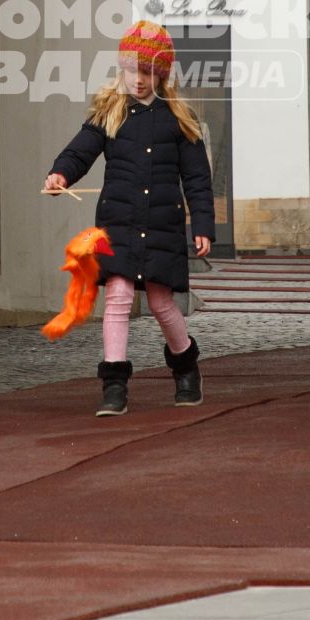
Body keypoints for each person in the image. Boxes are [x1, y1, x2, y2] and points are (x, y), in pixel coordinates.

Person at [44, 21, 214, 416]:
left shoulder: (179, 118)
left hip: (162, 224)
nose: (139, 80)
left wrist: (202, 224)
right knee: (117, 297)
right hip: (118, 222)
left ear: (163, 75)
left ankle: (186, 367)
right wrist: (60, 173)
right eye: (133, 70)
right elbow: (80, 151)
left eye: (150, 73)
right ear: (122, 68)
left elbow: (197, 179)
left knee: (161, 304)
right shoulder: (110, 111)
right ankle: (114, 384)